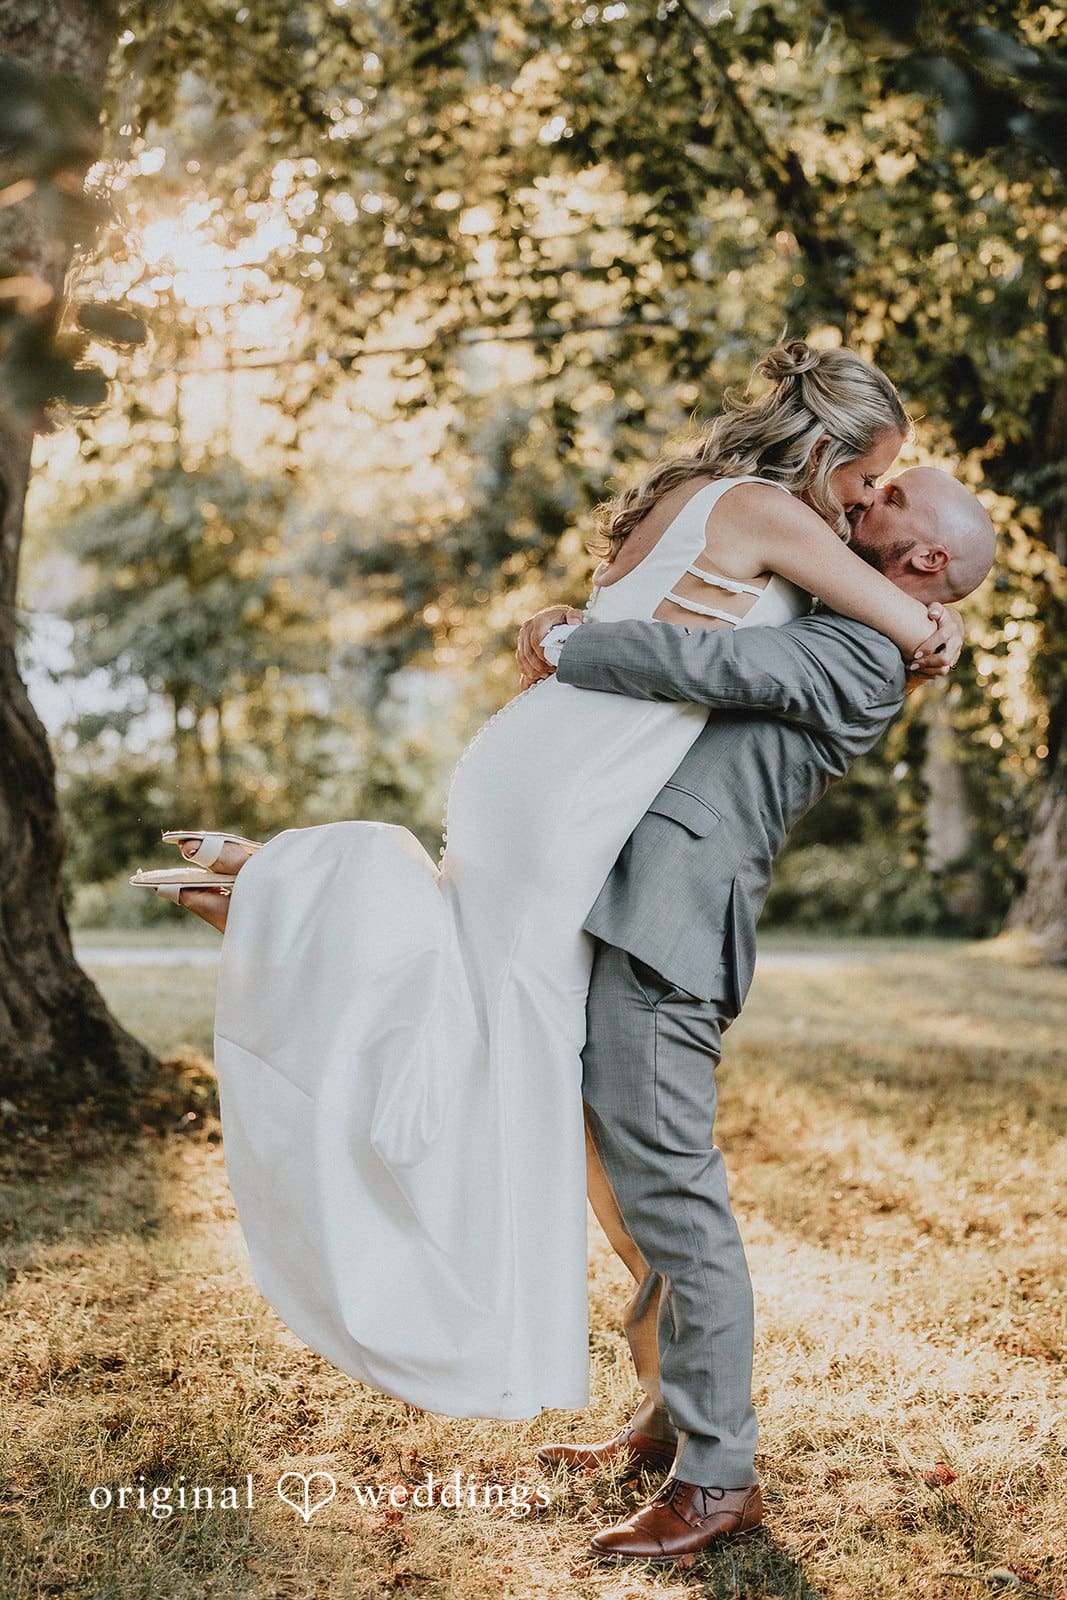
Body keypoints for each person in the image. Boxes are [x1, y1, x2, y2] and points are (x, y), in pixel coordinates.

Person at [128, 341, 961, 1424]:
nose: (863, 504)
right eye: (871, 477)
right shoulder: (770, 509)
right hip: (568, 788)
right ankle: (292, 896)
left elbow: (674, 628)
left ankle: (282, 891)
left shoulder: (700, 494)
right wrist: (933, 622)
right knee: (498, 1034)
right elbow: (901, 624)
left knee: (497, 1019)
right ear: (826, 446)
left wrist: (560, 628)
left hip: (544, 770)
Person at [518, 464, 996, 1561]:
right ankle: (666, 1417)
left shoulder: (861, 648)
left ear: (923, 559)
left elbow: (707, 661)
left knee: (676, 1200)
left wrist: (565, 645)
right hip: (631, 905)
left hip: (669, 932)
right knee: (626, 1189)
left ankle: (718, 1477)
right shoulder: (849, 609)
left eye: (889, 496)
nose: (862, 498)